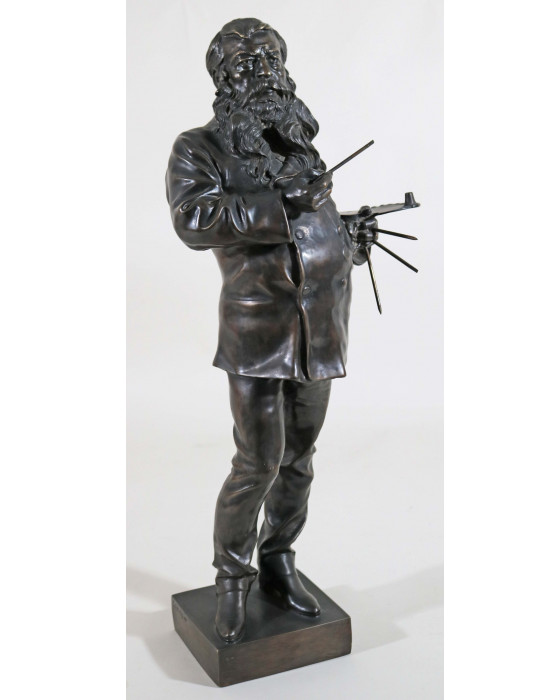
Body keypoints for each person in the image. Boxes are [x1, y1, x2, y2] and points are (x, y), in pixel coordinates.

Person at [166, 17, 369, 643]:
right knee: (257, 462)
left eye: (270, 60)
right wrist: (283, 206)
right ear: (224, 80)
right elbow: (195, 219)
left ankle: (279, 561)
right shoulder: (199, 148)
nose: (263, 73)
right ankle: (232, 578)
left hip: (321, 327)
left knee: (299, 461)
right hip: (258, 333)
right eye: (246, 64)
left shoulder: (295, 141)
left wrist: (349, 239)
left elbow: (314, 224)